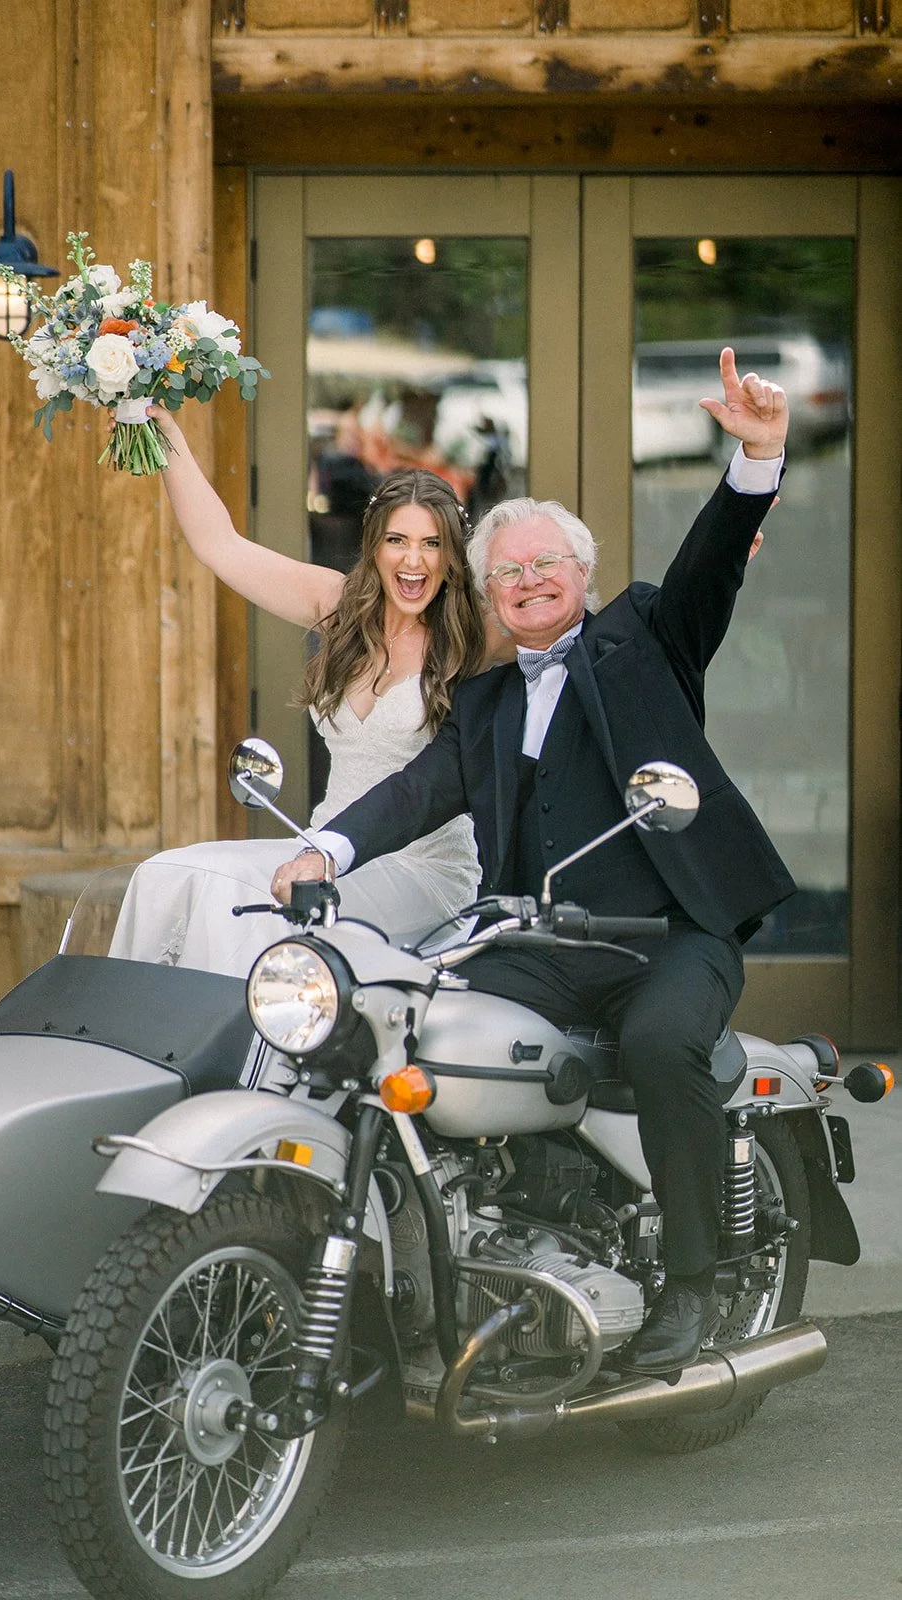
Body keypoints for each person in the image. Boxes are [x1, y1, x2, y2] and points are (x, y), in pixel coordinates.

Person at [272, 347, 794, 1377]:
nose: (523, 581)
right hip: (541, 941)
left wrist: (754, 457)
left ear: (582, 576)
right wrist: (323, 846)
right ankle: (442, 1256)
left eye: (543, 564)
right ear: (488, 593)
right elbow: (418, 793)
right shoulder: (486, 699)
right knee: (402, 1021)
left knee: (655, 1046)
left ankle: (688, 1281)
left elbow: (710, 565)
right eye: (504, 571)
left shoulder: (645, 635)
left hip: (668, 938)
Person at [108, 406, 487, 977]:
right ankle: (136, 1042)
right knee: (168, 875)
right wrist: (167, 435)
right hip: (320, 848)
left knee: (263, 912)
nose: (414, 561)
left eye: (432, 545)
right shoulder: (337, 607)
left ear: (452, 554)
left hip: (423, 871)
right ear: (374, 545)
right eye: (398, 541)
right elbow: (220, 546)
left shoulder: (470, 639)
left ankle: (256, 1065)